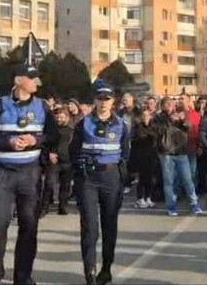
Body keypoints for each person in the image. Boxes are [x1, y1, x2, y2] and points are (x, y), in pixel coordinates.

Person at [0, 64, 58, 285]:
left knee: (29, 226)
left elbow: (53, 135)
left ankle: (23, 276)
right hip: (2, 173)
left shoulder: (43, 107)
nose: (36, 82)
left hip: (30, 173)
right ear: (18, 80)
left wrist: (36, 140)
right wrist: (8, 142)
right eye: (31, 78)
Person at [70, 83, 130, 285]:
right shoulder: (83, 123)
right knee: (90, 227)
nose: (103, 103)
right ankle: (90, 271)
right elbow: (73, 150)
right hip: (88, 178)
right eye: (100, 98)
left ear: (113, 101)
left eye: (107, 99)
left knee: (109, 225)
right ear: (94, 100)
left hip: (111, 177)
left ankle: (106, 269)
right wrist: (80, 170)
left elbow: (125, 153)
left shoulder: (121, 125)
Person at [155, 98, 202, 216]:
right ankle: (171, 206)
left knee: (188, 179)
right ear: (162, 106)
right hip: (166, 152)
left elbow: (189, 127)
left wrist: (183, 120)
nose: (171, 106)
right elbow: (158, 131)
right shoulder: (159, 118)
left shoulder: (180, 114)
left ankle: (194, 203)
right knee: (169, 181)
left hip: (181, 151)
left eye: (172, 104)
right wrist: (169, 121)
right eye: (168, 104)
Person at [43, 108, 74, 216]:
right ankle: (44, 207)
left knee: (65, 186)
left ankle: (63, 206)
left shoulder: (72, 131)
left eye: (62, 117)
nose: (59, 119)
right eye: (58, 117)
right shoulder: (51, 131)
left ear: (67, 118)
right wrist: (49, 153)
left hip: (68, 161)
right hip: (54, 161)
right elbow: (45, 144)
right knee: (49, 184)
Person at [132, 108, 158, 209]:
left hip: (151, 155)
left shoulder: (153, 126)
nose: (145, 117)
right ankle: (140, 198)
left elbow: (156, 137)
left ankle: (148, 197)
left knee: (150, 178)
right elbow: (141, 138)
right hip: (141, 155)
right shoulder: (138, 127)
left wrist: (150, 137)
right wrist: (150, 137)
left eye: (147, 115)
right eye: (144, 116)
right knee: (142, 178)